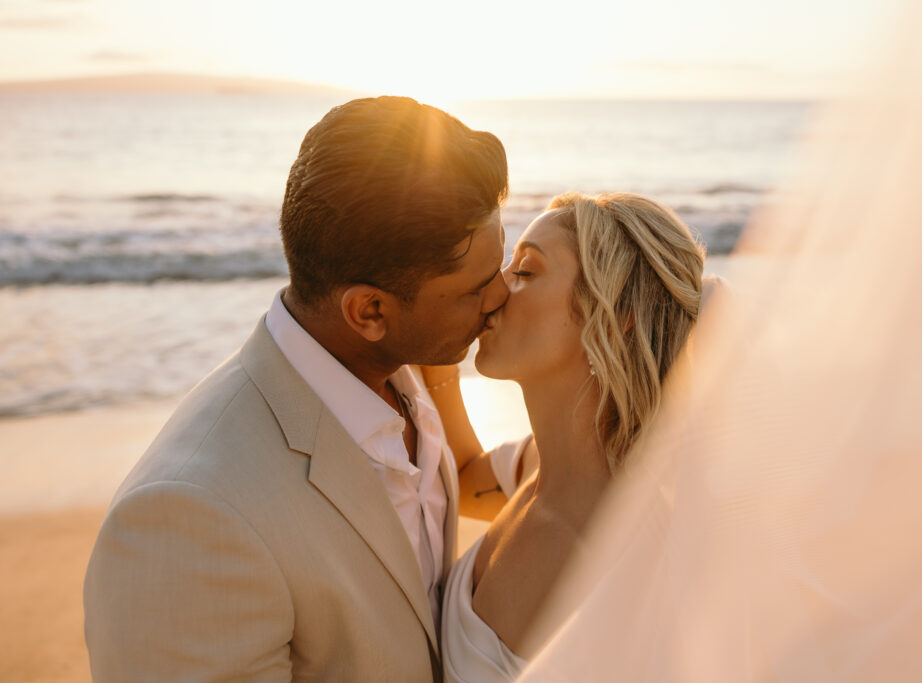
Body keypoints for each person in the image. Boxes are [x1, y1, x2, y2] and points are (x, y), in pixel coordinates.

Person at [83, 96, 517, 681]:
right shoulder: (187, 518)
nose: (502, 296)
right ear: (369, 311)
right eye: (478, 286)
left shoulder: (401, 370)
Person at [423, 192, 705, 682]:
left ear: (616, 316)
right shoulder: (538, 465)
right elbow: (467, 476)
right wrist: (433, 349)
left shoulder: (601, 553)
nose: (495, 291)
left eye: (526, 272)